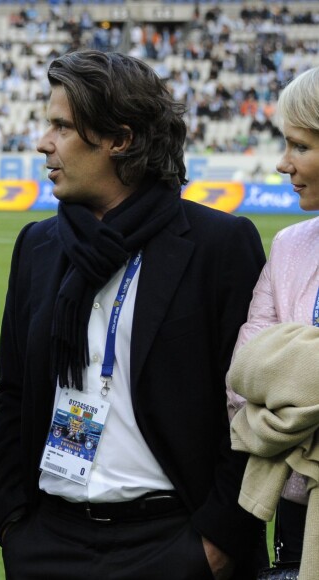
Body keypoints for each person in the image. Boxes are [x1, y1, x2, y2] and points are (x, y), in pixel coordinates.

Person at [0, 49, 267, 579]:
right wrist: (14, 525)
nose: (43, 143)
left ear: (119, 139)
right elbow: (14, 395)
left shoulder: (219, 245)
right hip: (50, 540)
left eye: (61, 127)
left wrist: (215, 543)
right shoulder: (39, 245)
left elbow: (248, 409)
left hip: (172, 541)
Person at [227, 65, 319, 573]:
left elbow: (274, 373)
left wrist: (291, 371)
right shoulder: (289, 246)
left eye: (300, 146)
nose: (283, 164)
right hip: (293, 513)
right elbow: (243, 379)